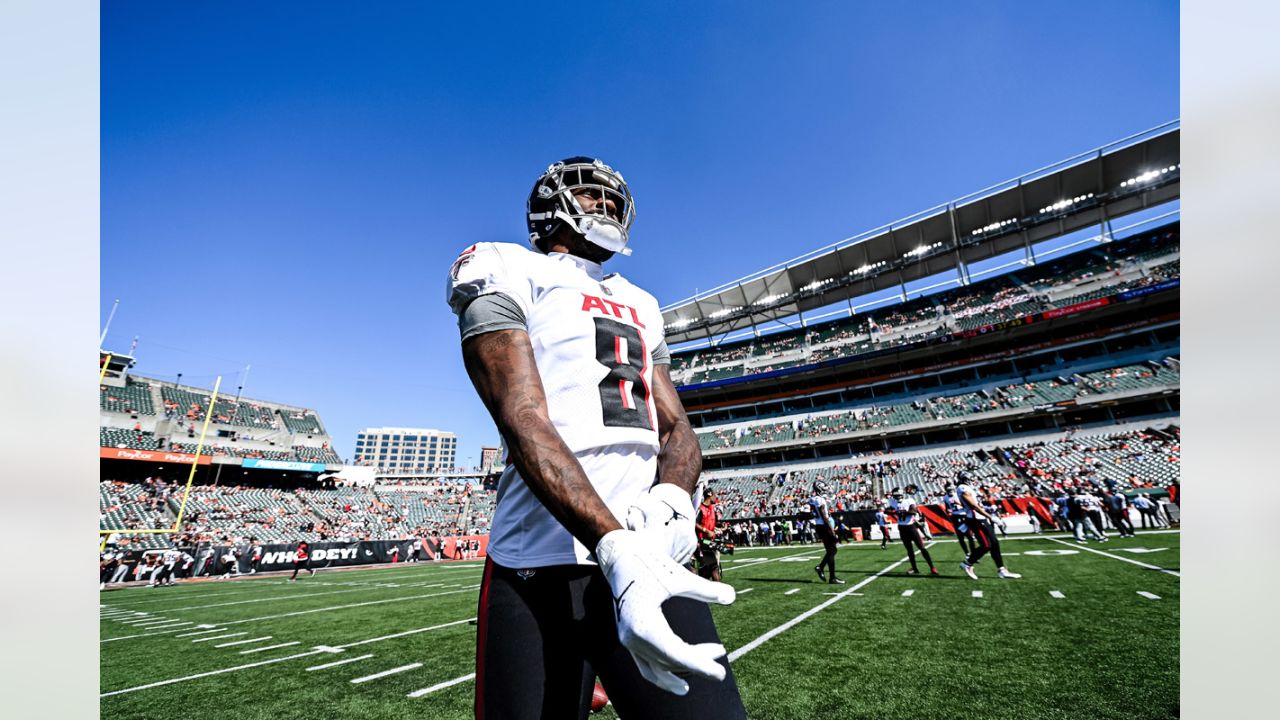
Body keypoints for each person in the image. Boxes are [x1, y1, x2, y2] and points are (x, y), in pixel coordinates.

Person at [448, 156, 745, 719]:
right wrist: (612, 544)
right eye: (591, 195)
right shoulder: (503, 265)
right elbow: (522, 416)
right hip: (539, 561)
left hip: (648, 552)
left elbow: (677, 428)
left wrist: (675, 500)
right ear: (548, 207)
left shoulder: (642, 301)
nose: (608, 205)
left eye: (614, 198)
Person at [955, 474, 1022, 580]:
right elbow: (973, 506)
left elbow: (974, 504)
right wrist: (991, 517)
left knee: (994, 543)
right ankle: (967, 564)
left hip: (980, 518)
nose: (974, 480)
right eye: (971, 478)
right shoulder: (963, 488)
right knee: (986, 545)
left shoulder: (967, 488)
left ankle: (1002, 570)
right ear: (966, 479)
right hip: (975, 519)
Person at [889, 488, 937, 575]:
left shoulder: (909, 500)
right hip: (902, 528)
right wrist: (895, 512)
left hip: (911, 527)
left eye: (897, 495)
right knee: (909, 550)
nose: (896, 497)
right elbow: (887, 510)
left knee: (922, 548)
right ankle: (914, 568)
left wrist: (901, 512)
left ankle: (932, 567)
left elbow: (913, 511)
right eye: (895, 496)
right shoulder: (893, 502)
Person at [809, 480, 845, 585]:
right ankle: (831, 577)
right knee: (832, 550)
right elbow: (824, 516)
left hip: (819, 526)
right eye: (823, 487)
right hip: (824, 526)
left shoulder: (812, 499)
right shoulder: (820, 500)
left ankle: (821, 567)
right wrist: (832, 531)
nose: (825, 489)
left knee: (832, 551)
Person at [692, 489, 723, 581]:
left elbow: (711, 523)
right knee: (713, 568)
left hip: (709, 542)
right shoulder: (700, 509)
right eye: (714, 496)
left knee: (711, 569)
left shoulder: (712, 508)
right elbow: (694, 523)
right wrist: (706, 531)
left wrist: (718, 528)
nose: (715, 498)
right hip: (702, 542)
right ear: (709, 496)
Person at [943, 482, 974, 556]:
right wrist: (948, 511)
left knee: (970, 536)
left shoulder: (958, 495)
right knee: (960, 537)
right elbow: (947, 507)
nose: (949, 492)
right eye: (948, 490)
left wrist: (958, 503)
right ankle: (967, 553)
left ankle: (973, 553)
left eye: (950, 490)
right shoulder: (945, 497)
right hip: (955, 517)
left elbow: (966, 504)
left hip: (964, 515)